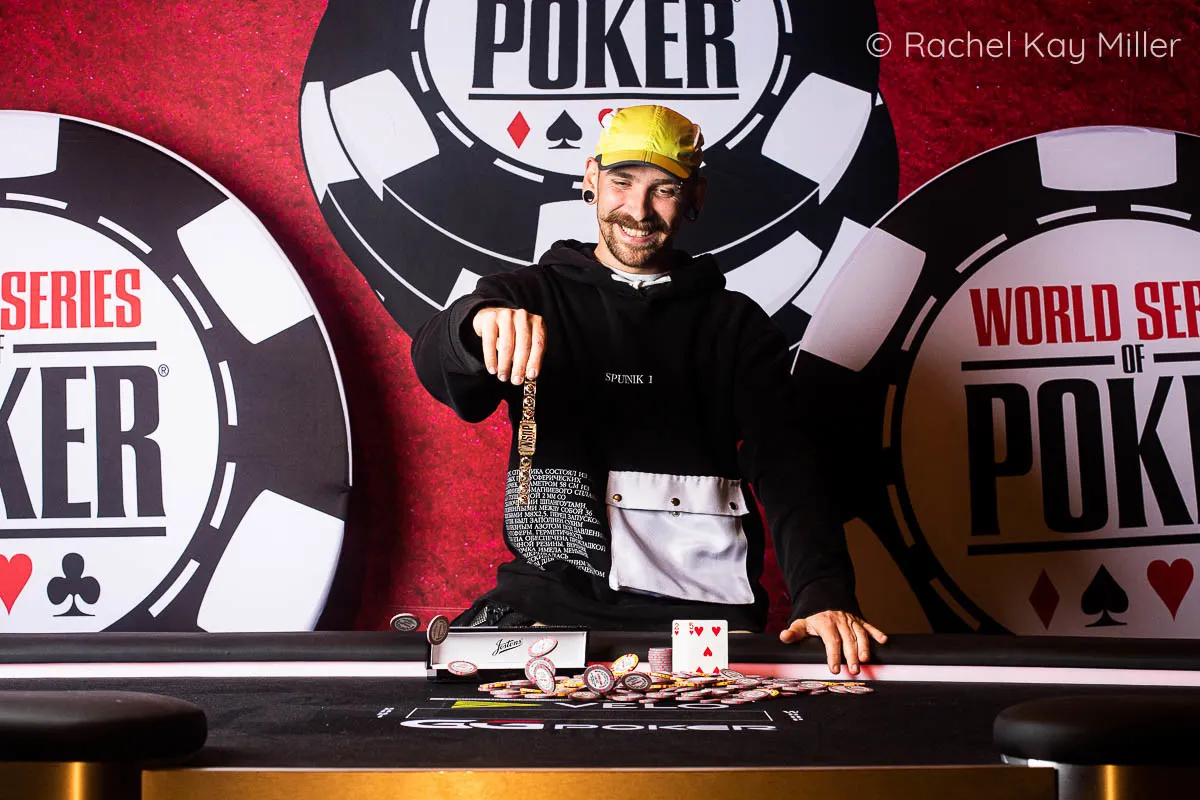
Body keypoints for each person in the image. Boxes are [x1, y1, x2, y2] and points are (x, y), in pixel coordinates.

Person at [411, 105, 885, 675]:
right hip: (550, 605)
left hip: (702, 612)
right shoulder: (528, 296)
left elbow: (788, 467)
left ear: (695, 196)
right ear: (590, 179)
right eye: (622, 182)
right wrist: (474, 324)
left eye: (664, 190)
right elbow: (436, 360)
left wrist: (823, 592)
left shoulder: (736, 326)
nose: (638, 211)